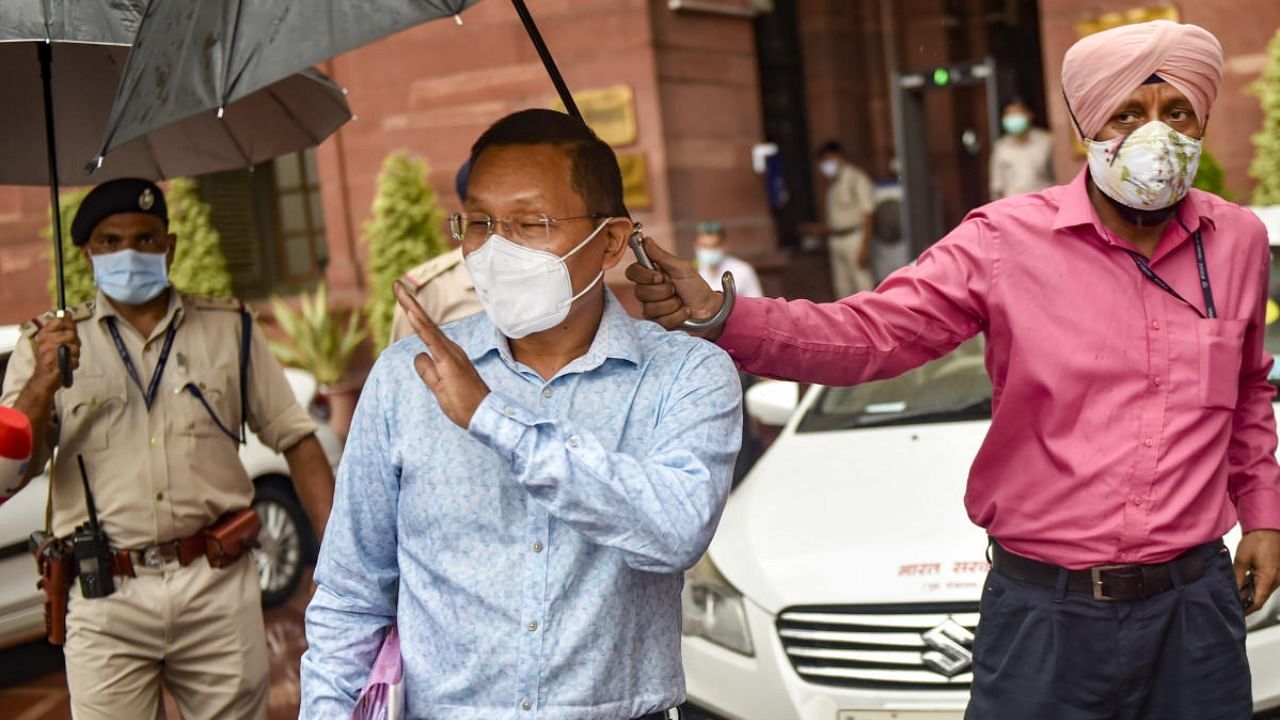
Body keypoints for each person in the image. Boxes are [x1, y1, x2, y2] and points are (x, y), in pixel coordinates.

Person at [628, 20, 1279, 720]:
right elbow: (870, 333)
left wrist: (1264, 518)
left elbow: (1246, 390)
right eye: (1128, 112)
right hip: (1044, 620)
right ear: (1087, 126)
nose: (1156, 134)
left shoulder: (1236, 240)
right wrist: (723, 316)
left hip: (1196, 612)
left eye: (1176, 111)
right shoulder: (1002, 241)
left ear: (1203, 117)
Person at [301, 109, 742, 719]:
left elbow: (674, 531)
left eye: (532, 223)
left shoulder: (686, 374)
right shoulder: (407, 378)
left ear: (610, 241)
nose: (496, 249)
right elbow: (351, 596)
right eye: (480, 222)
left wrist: (493, 420)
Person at [0, 178, 335, 720]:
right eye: (110, 241)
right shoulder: (46, 345)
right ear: (87, 254)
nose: (128, 252)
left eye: (145, 238)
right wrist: (42, 382)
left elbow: (296, 438)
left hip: (216, 584)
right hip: (105, 596)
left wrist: (343, 562)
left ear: (170, 247)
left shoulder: (230, 329)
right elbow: (9, 473)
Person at [388, 160, 484, 343]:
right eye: (484, 220)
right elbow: (402, 365)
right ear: (465, 219)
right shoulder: (431, 291)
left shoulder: (544, 274)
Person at [814, 140, 876, 298]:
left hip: (855, 237)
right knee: (842, 288)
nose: (825, 164)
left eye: (828, 159)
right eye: (823, 161)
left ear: (839, 157)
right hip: (836, 239)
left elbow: (868, 213)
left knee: (862, 285)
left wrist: (864, 246)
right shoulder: (832, 184)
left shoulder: (856, 178)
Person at [989, 99, 1055, 199]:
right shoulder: (1001, 148)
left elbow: (1059, 176)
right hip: (1012, 206)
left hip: (1042, 203)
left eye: (1017, 113)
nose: (1013, 118)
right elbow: (997, 186)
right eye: (1009, 114)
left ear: (1030, 114)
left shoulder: (1046, 141)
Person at [694, 221, 762, 298]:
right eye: (705, 246)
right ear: (696, 246)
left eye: (715, 245)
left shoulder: (743, 270)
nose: (710, 250)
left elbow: (757, 303)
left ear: (725, 245)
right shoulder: (694, 272)